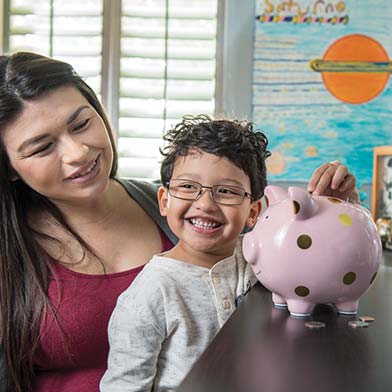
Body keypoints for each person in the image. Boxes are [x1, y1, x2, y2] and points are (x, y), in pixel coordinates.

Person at [0, 52, 358, 392]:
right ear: (9, 168)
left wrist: (338, 220)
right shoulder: (9, 252)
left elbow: (302, 277)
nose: (78, 152)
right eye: (42, 147)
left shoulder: (197, 214)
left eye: (81, 124)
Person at [99, 115, 359, 392]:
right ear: (164, 200)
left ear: (253, 212)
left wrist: (337, 207)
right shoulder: (146, 297)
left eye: (226, 191)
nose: (205, 203)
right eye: (188, 187)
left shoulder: (268, 256)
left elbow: (324, 268)